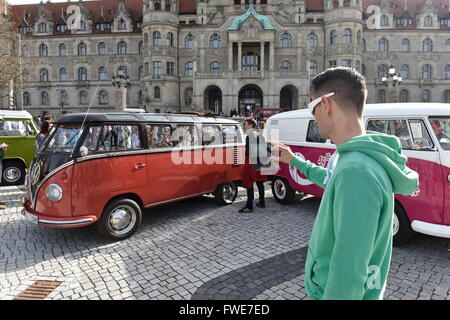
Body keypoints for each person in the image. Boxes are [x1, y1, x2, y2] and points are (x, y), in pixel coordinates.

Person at [271, 67, 419, 300]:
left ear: (326, 105)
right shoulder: (357, 158)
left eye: (312, 108)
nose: (314, 117)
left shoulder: (356, 171)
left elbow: (348, 272)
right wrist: (295, 160)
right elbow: (330, 181)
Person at [239, 119, 267, 213]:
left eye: (246, 124)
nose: (244, 126)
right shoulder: (260, 134)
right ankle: (262, 202)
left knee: (249, 183)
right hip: (260, 161)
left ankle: (249, 206)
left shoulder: (250, 136)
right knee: (260, 183)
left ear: (250, 125)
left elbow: (248, 152)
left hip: (251, 161)